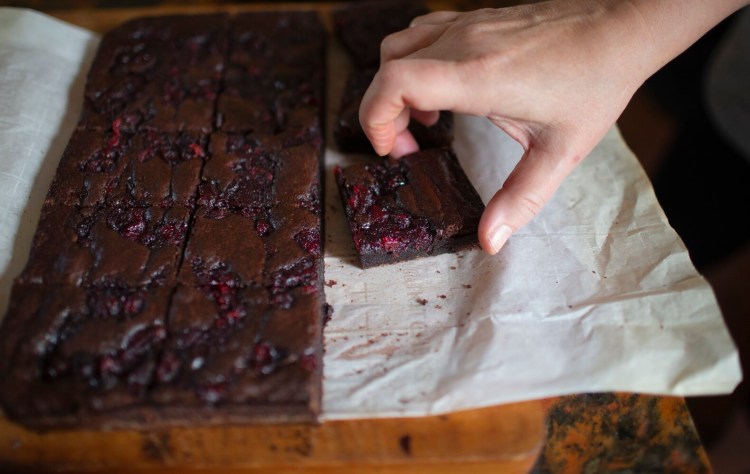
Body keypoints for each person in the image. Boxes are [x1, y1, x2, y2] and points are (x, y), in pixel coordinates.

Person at [358, 0, 750, 255]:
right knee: (691, 207)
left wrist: (629, 27)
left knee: (694, 236)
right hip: (735, 96)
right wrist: (626, 20)